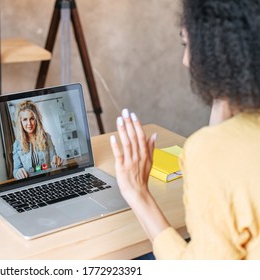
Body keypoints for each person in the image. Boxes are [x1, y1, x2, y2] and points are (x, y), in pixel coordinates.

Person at [110, 0, 260, 259]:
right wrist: (225, 91)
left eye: (187, 44)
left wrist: (137, 193)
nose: (186, 60)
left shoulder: (210, 151)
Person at [12, 100, 63, 179]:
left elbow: (53, 161)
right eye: (25, 119)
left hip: (47, 179)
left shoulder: (46, 137)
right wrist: (18, 172)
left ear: (36, 120)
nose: (29, 123)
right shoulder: (17, 144)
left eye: (32, 118)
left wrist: (56, 161)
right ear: (20, 122)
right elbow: (16, 170)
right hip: (28, 184)